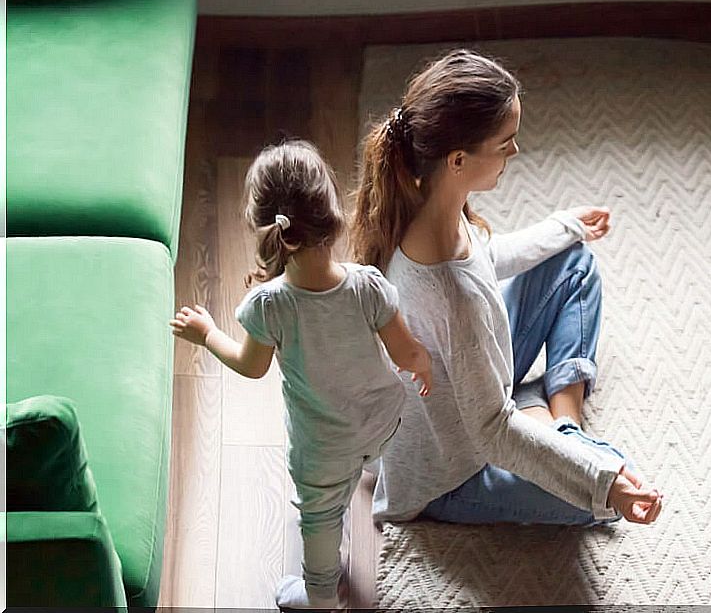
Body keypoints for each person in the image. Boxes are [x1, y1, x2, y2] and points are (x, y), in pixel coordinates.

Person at [351, 49, 663, 528]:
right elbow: (494, 431)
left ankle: (560, 421)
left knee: (573, 261)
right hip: (451, 474)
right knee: (608, 496)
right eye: (505, 143)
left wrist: (563, 226)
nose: (514, 153)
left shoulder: (424, 207)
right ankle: (558, 426)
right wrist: (603, 482)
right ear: (458, 159)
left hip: (475, 381)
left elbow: (486, 259)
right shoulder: (455, 300)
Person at [170, 139, 432, 611]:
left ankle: (320, 596)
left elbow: (251, 367)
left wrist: (207, 334)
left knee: (319, 520)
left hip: (323, 448)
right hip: (382, 422)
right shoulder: (369, 285)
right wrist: (424, 365)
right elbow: (407, 352)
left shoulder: (270, 306)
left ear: (264, 227)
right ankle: (370, 470)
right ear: (332, 213)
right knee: (364, 458)